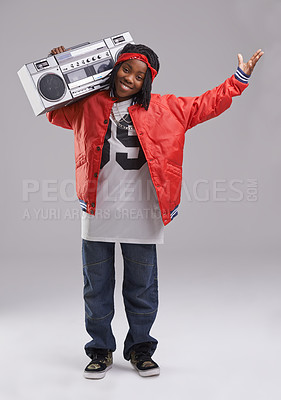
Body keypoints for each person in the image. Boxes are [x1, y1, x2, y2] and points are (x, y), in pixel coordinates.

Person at [47, 42, 263, 379]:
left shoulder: (166, 109)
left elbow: (206, 104)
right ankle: (100, 350)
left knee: (142, 287)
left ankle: (140, 349)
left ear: (148, 82)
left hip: (143, 214)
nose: (130, 79)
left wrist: (238, 79)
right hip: (97, 211)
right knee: (96, 286)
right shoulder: (88, 105)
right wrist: (63, 68)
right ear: (115, 68)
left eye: (139, 75)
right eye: (126, 69)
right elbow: (54, 109)